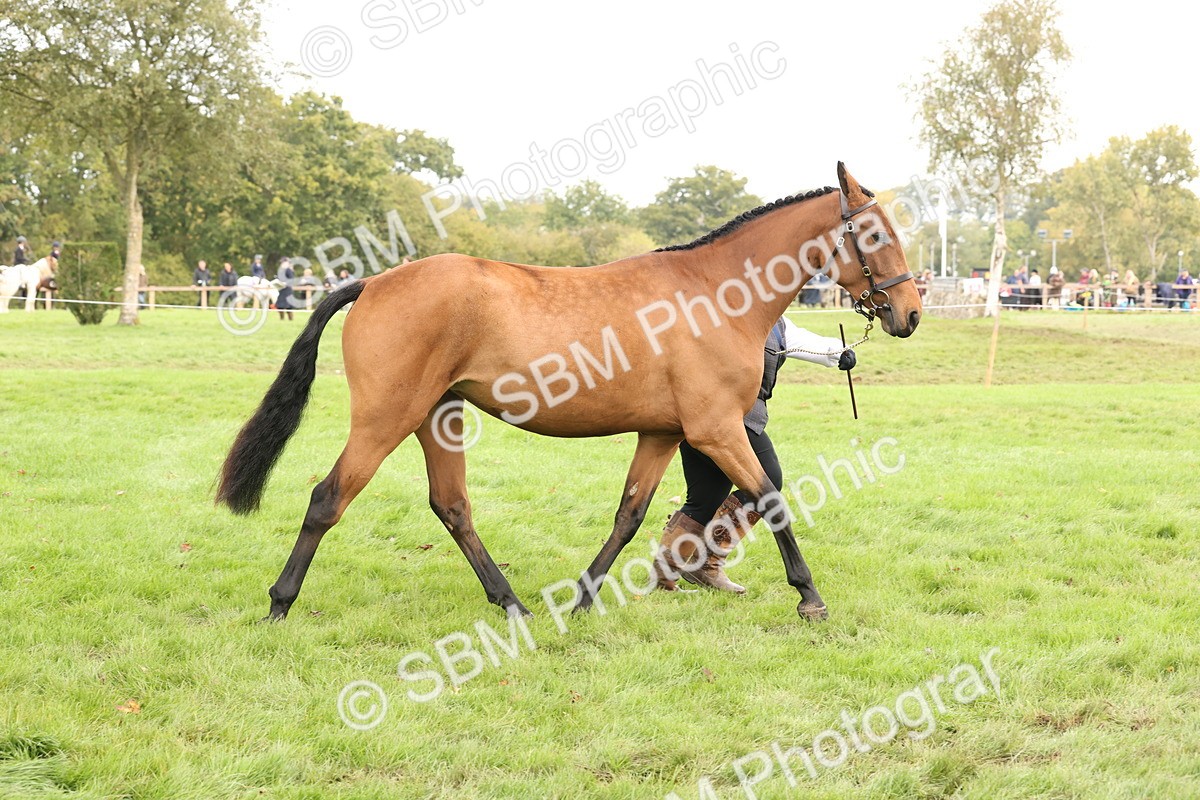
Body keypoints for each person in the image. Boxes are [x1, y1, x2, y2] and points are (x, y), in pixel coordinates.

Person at [654, 318, 856, 593]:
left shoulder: (774, 322)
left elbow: (798, 340)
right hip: (729, 420)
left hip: (697, 418)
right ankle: (706, 565)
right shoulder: (717, 314)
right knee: (767, 481)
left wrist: (838, 351)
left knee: (705, 498)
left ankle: (663, 577)